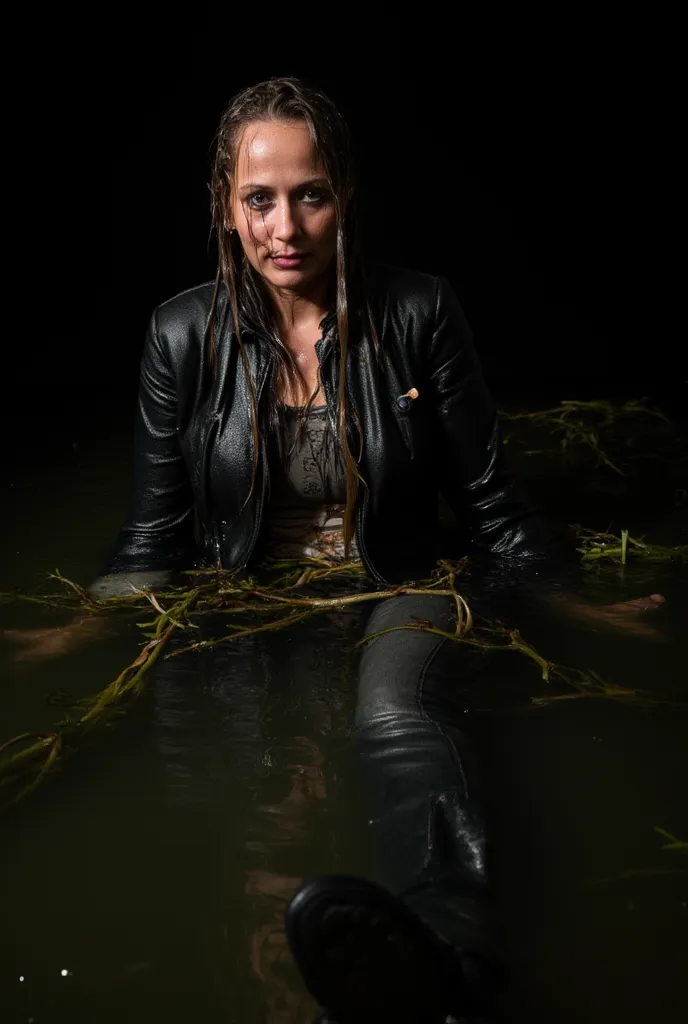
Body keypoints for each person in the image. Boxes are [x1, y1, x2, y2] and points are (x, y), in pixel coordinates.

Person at [5, 77, 666, 1022]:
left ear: (344, 194)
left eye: (309, 194)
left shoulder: (421, 312)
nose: (286, 227)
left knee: (396, 708)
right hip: (246, 595)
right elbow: (154, 536)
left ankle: (455, 957)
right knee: (217, 753)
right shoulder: (179, 335)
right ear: (225, 207)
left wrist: (573, 601)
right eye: (259, 199)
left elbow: (491, 504)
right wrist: (77, 633)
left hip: (404, 576)